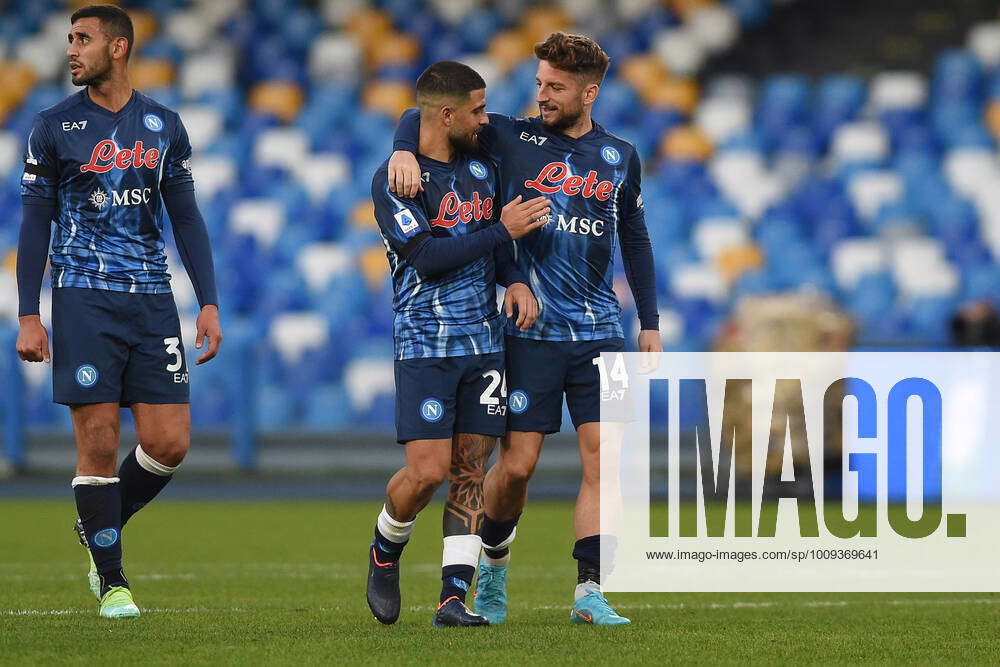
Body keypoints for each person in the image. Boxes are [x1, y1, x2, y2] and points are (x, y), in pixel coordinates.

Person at [388, 32, 661, 626]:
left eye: (555, 87)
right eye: (539, 83)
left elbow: (635, 240)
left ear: (589, 93)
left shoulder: (620, 157)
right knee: (516, 467)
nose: (542, 95)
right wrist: (402, 148)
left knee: (602, 458)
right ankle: (493, 562)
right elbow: (432, 109)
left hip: (601, 333)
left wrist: (650, 323)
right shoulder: (510, 136)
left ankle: (589, 590)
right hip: (529, 333)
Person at [15, 5, 221, 619]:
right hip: (83, 300)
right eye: (69, 39)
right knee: (99, 443)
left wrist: (207, 300)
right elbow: (34, 222)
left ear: (120, 48)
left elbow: (185, 216)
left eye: (83, 39)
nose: (72, 49)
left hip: (154, 302)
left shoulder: (163, 125)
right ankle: (112, 582)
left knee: (170, 443)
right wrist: (30, 312)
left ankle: (98, 522)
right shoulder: (52, 126)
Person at [366, 60, 549, 627]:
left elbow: (494, 252)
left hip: (483, 345)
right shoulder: (395, 178)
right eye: (475, 110)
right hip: (424, 342)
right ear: (447, 115)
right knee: (426, 472)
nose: (485, 118)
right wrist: (504, 230)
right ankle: (385, 548)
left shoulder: (481, 167)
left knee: (472, 468)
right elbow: (427, 258)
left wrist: (513, 275)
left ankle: (453, 598)